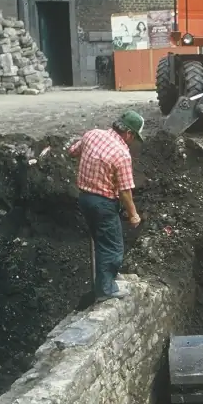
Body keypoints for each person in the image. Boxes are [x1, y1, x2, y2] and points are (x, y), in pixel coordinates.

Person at [68, 111, 145, 302]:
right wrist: (133, 215)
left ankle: (106, 278)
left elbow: (72, 151)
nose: (132, 141)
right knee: (112, 247)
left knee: (100, 240)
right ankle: (105, 289)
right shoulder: (121, 154)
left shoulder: (92, 134)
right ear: (128, 133)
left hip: (85, 199)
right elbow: (125, 191)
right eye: (134, 137)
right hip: (103, 203)